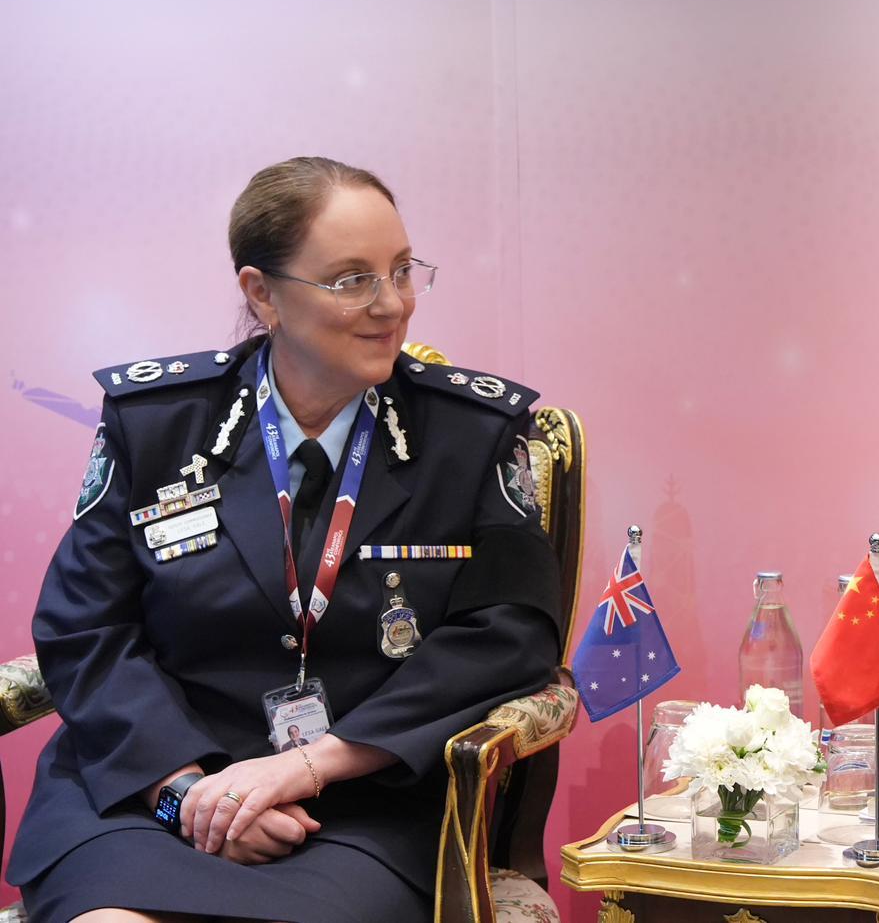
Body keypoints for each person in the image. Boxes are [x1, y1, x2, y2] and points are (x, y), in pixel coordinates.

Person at [8, 157, 563, 923]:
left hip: (359, 809)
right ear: (261, 293)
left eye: (402, 271)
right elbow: (86, 627)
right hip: (146, 792)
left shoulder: (470, 437)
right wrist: (188, 794)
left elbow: (509, 637)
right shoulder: (159, 423)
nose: (391, 304)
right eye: (351, 279)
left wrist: (306, 768)